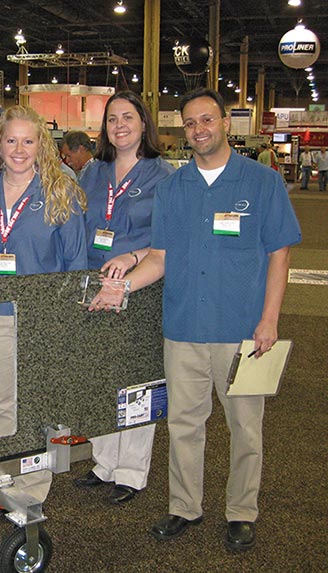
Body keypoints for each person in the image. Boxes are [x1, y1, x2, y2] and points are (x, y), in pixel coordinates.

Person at [89, 88, 301, 550]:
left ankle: (242, 511)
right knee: (184, 425)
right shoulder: (173, 189)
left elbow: (279, 253)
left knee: (246, 427)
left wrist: (269, 320)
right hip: (183, 328)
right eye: (190, 123)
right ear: (182, 130)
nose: (199, 130)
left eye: (207, 120)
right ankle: (184, 506)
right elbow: (160, 258)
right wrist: (121, 287)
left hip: (241, 329)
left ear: (225, 122)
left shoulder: (261, 183)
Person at [0, 105, 88, 501]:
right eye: (11, 140)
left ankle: (34, 485)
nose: (19, 149)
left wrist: (66, 322)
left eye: (28, 140)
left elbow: (76, 264)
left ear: (41, 144)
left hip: (42, 320)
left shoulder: (61, 192)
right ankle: (2, 473)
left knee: (39, 405)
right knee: (0, 403)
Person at [74, 91, 175, 504]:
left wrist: (133, 258)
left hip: (141, 286)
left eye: (128, 117)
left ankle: (131, 471)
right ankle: (104, 462)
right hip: (95, 285)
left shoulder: (162, 175)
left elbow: (168, 240)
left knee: (135, 378)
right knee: (100, 375)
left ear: (143, 124)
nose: (120, 125)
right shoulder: (93, 172)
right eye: (112, 118)